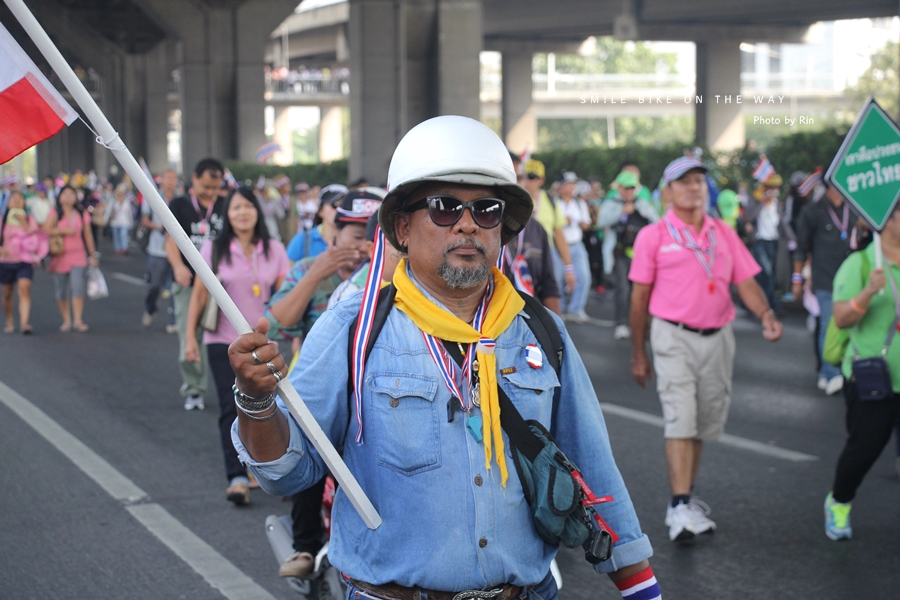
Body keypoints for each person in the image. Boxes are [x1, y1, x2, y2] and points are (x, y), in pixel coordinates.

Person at [228, 115, 657, 599]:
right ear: (402, 227)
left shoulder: (541, 331)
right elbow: (287, 472)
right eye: (444, 207)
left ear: (503, 228)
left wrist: (642, 588)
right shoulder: (351, 329)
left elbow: (593, 465)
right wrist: (255, 403)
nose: (468, 223)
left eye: (487, 210)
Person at [629, 156, 783, 542]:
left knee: (701, 422)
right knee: (681, 418)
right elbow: (639, 298)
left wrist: (765, 313)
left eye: (698, 180)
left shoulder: (722, 233)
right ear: (667, 192)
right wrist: (639, 353)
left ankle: (686, 500)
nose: (693, 188)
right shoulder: (653, 235)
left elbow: (745, 281)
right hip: (673, 336)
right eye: (684, 182)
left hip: (718, 338)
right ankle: (679, 505)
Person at [264, 189, 380, 578]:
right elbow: (275, 323)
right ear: (335, 232)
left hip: (370, 389)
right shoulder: (307, 268)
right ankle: (305, 545)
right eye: (355, 235)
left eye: (370, 236)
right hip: (317, 385)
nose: (362, 245)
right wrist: (317, 273)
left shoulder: (387, 273)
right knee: (312, 447)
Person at [184, 186, 290, 505]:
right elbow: (199, 295)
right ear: (227, 215)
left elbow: (286, 296)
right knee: (231, 407)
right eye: (235, 208)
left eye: (248, 206)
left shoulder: (274, 249)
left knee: (266, 407)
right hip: (222, 341)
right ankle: (237, 477)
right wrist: (189, 338)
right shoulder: (214, 248)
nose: (243, 213)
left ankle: (262, 469)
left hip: (262, 345)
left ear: (258, 211)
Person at [822, 207, 900, 540]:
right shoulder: (862, 263)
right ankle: (839, 501)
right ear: (887, 219)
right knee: (864, 450)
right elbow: (841, 318)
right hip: (873, 381)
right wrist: (868, 291)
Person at [793, 184, 870, 396]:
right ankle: (831, 372)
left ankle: (831, 371)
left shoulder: (854, 210)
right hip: (825, 277)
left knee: (849, 323)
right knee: (829, 324)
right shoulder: (812, 211)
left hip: (852, 278)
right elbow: (801, 247)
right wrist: (797, 279)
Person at [165, 158, 227, 411]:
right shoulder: (179, 205)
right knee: (189, 334)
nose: (211, 193)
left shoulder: (225, 205)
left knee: (228, 336)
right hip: (189, 281)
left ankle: (236, 389)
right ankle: (194, 388)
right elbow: (170, 241)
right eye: (206, 187)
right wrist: (177, 266)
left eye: (215, 188)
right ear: (194, 178)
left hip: (222, 282)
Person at [597, 171, 659, 340]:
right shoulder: (611, 203)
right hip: (619, 253)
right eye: (626, 188)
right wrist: (621, 211)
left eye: (632, 188)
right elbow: (601, 222)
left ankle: (638, 325)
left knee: (639, 291)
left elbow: (655, 221)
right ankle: (621, 324)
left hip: (640, 255)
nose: (630, 191)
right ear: (619, 188)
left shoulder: (642, 203)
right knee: (622, 289)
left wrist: (641, 211)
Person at [46, 185, 100, 332]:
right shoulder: (55, 213)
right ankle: (66, 320)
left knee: (77, 287)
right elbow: (46, 229)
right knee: (61, 290)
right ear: (60, 197)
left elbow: (88, 235)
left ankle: (78, 319)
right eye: (65, 194)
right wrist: (61, 230)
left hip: (78, 255)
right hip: (60, 255)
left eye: (71, 194)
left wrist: (93, 254)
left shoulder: (81, 213)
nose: (68, 196)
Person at [522, 160, 578, 301]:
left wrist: (568, 267)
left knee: (551, 292)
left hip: (546, 255)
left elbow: (559, 234)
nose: (528, 181)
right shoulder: (514, 199)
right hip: (520, 254)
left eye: (533, 177)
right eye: (524, 176)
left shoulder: (550, 200)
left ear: (542, 180)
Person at [0, 191, 46, 334]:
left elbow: (35, 235)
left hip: (25, 260)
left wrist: (22, 220)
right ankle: (9, 320)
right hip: (6, 261)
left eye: (20, 199)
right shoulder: (3, 220)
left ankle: (24, 323)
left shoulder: (28, 218)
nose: (16, 201)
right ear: (8, 203)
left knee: (24, 288)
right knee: (7, 293)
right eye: (13, 198)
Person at [744, 173, 789, 314]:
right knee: (767, 274)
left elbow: (782, 223)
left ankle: (749, 303)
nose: (774, 191)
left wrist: (792, 238)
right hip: (760, 242)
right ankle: (772, 305)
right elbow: (749, 216)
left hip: (773, 242)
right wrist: (762, 202)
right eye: (771, 187)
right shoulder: (755, 199)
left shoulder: (776, 203)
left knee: (764, 275)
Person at [141, 169, 178, 333]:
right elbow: (145, 220)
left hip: (176, 250)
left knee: (176, 287)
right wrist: (160, 228)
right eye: (167, 178)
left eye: (173, 178)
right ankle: (150, 308)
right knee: (155, 286)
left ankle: (174, 320)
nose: (170, 181)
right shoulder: (152, 197)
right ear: (161, 180)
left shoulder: (180, 199)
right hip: (157, 249)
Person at [553, 171, 592, 322]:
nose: (572, 187)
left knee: (584, 277)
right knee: (557, 278)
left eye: (573, 184)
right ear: (562, 186)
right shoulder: (554, 203)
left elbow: (587, 225)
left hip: (576, 244)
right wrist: (564, 221)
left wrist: (580, 222)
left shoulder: (579, 203)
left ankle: (576, 309)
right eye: (569, 184)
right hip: (558, 245)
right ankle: (559, 309)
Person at [285, 184, 346, 262]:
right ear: (321, 211)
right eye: (335, 204)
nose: (340, 210)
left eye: (344, 205)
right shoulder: (302, 240)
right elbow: (287, 268)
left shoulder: (354, 242)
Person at [104, 184, 134, 255]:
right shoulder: (113, 201)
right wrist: (105, 219)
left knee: (123, 235)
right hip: (115, 222)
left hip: (124, 222)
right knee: (116, 236)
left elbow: (129, 213)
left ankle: (124, 248)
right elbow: (108, 210)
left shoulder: (126, 202)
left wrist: (131, 222)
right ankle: (118, 248)